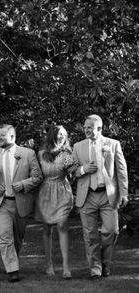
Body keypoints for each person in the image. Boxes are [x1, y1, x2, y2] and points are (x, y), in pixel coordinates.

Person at [0, 124, 42, 282]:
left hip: (20, 202)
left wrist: (23, 184)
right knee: (5, 236)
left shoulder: (28, 153)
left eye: (3, 135)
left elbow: (37, 177)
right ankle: (12, 270)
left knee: (17, 237)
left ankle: (11, 262)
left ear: (12, 136)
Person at [72, 114, 128, 279]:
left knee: (111, 230)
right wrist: (83, 170)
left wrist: (124, 192)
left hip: (108, 194)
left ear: (99, 128)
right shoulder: (78, 146)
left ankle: (105, 263)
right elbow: (72, 169)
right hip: (87, 194)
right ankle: (95, 269)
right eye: (85, 127)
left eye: (90, 127)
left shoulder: (113, 144)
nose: (86, 130)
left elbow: (121, 169)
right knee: (90, 234)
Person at [35, 126, 79, 279]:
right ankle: (49, 264)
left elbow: (75, 174)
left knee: (62, 225)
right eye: (59, 134)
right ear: (52, 135)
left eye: (64, 134)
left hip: (62, 191)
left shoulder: (68, 154)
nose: (61, 136)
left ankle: (66, 267)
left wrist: (76, 169)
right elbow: (37, 174)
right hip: (45, 192)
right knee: (47, 229)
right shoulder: (41, 154)